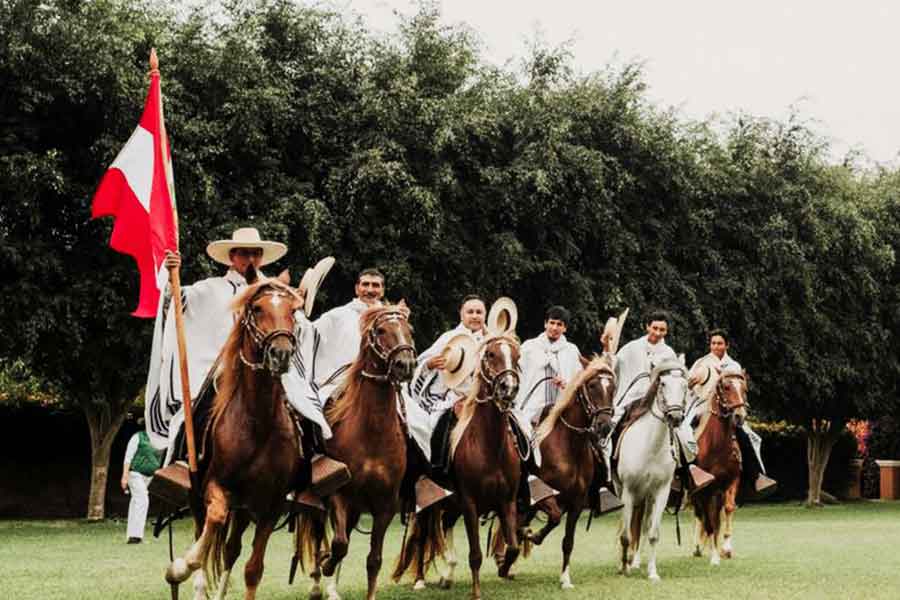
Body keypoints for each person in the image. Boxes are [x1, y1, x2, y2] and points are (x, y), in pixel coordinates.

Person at [144, 227, 327, 465]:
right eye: (244, 253)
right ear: (232, 256)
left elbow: (297, 325)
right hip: (220, 368)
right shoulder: (209, 289)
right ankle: (183, 461)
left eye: (256, 253)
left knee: (305, 401)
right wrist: (171, 278)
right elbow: (177, 301)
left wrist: (297, 315)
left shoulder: (275, 291)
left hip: (270, 365)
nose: (250, 258)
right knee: (199, 408)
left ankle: (315, 460)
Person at [608, 310, 712, 491]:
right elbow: (613, 367)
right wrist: (608, 352)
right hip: (632, 399)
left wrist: (689, 379)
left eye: (662, 330)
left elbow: (677, 377)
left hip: (660, 403)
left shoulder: (668, 352)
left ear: (666, 331)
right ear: (647, 326)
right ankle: (605, 477)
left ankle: (688, 470)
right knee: (607, 430)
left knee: (683, 431)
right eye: (655, 328)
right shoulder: (631, 348)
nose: (657, 333)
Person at [687, 329, 777, 498]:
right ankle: (685, 473)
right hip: (701, 406)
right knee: (684, 432)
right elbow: (689, 383)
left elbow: (739, 387)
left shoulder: (734, 365)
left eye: (719, 343)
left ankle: (756, 476)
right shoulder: (701, 362)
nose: (716, 347)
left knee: (748, 436)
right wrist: (692, 382)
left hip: (728, 410)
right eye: (713, 343)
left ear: (727, 345)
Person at [517, 305, 583, 426]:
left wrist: (565, 384)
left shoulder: (572, 351)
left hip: (560, 414)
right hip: (529, 411)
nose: (554, 328)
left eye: (559, 324)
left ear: (565, 328)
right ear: (545, 324)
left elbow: (579, 382)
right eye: (552, 323)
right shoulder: (529, 347)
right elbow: (517, 375)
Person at [121, 423, 162, 543]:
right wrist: (125, 476)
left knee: (136, 502)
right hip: (135, 473)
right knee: (142, 499)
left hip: (149, 477)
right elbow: (128, 457)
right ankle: (136, 536)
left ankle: (132, 535)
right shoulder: (138, 437)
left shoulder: (160, 440)